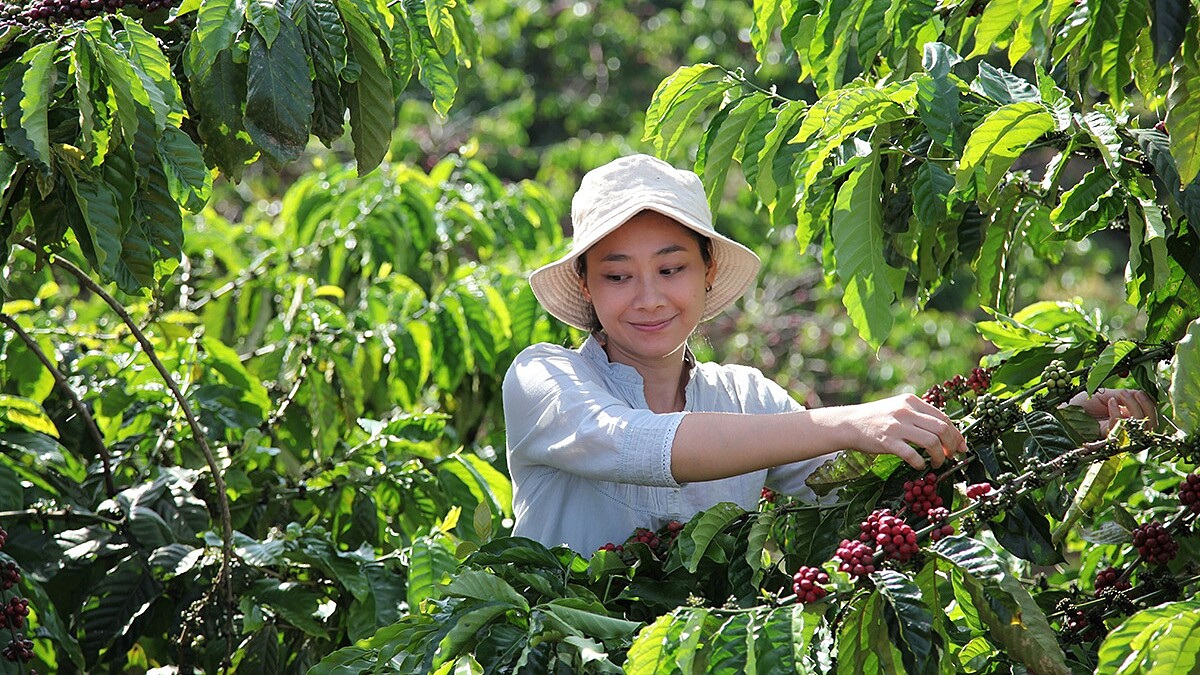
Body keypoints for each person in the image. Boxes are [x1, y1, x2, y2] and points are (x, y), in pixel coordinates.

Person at [501, 154, 1155, 554]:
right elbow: (639, 442)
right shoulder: (546, 379)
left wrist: (1055, 424)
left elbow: (886, 484)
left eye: (670, 268)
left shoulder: (744, 397)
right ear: (585, 285)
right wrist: (847, 419)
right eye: (618, 276)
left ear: (706, 272)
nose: (648, 297)